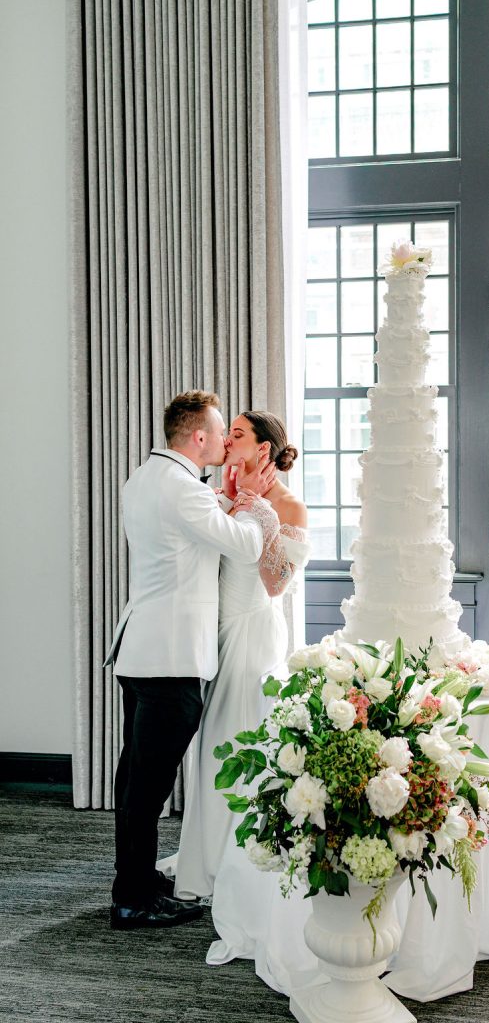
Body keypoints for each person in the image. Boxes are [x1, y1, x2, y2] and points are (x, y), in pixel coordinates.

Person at [105, 391, 277, 930]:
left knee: (134, 775)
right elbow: (246, 547)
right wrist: (255, 504)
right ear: (198, 436)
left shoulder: (145, 478)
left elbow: (196, 533)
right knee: (147, 784)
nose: (225, 439)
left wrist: (229, 502)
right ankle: (132, 899)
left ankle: (133, 877)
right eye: (220, 431)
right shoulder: (184, 491)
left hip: (141, 649)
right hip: (170, 659)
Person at [161, 411, 309, 902]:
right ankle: (207, 852)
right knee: (211, 747)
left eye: (238, 434)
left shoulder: (288, 505)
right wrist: (233, 499)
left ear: (263, 449)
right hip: (216, 635)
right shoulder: (216, 498)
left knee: (237, 741)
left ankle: (243, 861)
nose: (227, 440)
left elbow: (275, 583)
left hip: (251, 635)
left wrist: (256, 508)